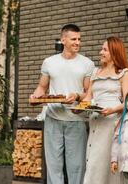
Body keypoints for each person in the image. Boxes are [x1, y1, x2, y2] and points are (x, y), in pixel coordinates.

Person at [30, 24, 95, 184]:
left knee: (76, 167)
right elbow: (42, 87)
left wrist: (77, 97)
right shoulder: (49, 62)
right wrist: (35, 97)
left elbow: (89, 92)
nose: (77, 42)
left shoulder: (87, 64)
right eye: (73, 39)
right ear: (63, 40)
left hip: (76, 121)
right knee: (53, 167)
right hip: (53, 119)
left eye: (79, 39)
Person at [82, 36, 128, 184]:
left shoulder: (124, 73)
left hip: (112, 124)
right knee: (93, 163)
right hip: (96, 122)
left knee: (107, 164)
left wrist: (112, 110)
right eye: (101, 49)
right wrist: (78, 108)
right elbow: (88, 98)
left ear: (114, 52)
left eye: (104, 49)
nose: (101, 52)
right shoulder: (95, 72)